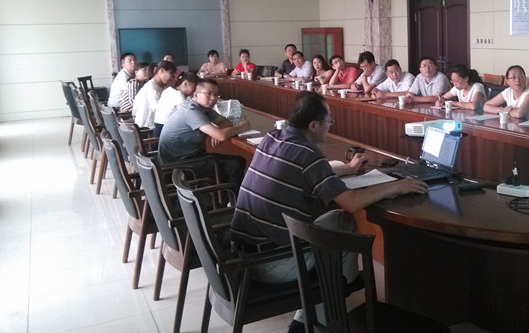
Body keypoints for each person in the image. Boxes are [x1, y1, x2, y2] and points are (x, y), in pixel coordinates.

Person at [230, 91, 428, 333]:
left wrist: (347, 169)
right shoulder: (307, 154)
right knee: (343, 229)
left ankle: (309, 317)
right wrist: (394, 186)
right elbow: (351, 202)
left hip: (245, 252)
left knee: (338, 221)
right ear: (313, 125)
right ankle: (334, 301)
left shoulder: (274, 137)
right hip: (272, 264)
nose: (330, 125)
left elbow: (306, 170)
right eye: (328, 120)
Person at [158, 79, 251, 187]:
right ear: (196, 95)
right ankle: (231, 196)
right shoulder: (192, 112)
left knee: (237, 161)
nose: (213, 98)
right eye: (208, 94)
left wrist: (217, 132)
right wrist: (242, 126)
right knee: (235, 165)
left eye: (216, 94)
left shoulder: (203, 108)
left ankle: (224, 194)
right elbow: (221, 136)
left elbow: (226, 122)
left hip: (188, 158)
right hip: (178, 166)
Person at [132, 60, 177, 129]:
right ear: (162, 71)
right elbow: (158, 110)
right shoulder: (152, 88)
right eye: (171, 73)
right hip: (147, 128)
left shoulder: (156, 85)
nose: (172, 78)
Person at [153, 72, 199, 137]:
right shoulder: (179, 95)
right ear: (185, 83)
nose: (195, 91)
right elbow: (185, 116)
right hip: (165, 131)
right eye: (194, 88)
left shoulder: (168, 90)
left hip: (158, 127)